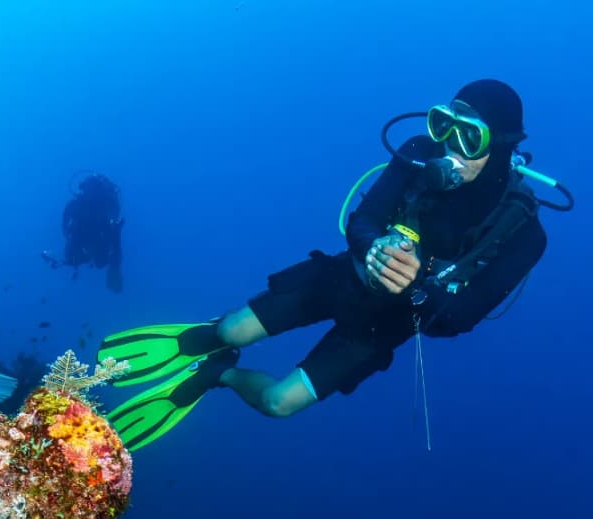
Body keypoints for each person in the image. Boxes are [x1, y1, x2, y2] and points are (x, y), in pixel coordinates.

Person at [98, 79, 564, 452]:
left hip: (381, 329)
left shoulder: (524, 232)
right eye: (444, 124)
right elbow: (362, 219)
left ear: (502, 144)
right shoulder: (419, 153)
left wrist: (416, 283)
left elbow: (463, 318)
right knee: (234, 332)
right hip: (341, 278)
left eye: (470, 135)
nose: (451, 146)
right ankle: (216, 336)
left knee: (280, 404)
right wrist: (374, 247)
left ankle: (217, 375)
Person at [55, 173, 125, 292]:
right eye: (88, 190)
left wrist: (113, 224)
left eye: (94, 191)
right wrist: (68, 237)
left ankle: (112, 269)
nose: (91, 194)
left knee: (102, 261)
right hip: (80, 233)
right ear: (83, 189)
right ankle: (87, 258)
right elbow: (65, 224)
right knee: (71, 258)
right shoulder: (75, 204)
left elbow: (114, 219)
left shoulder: (104, 203)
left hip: (99, 233)